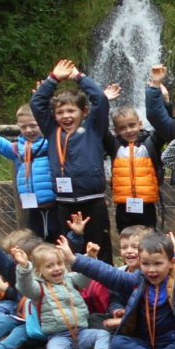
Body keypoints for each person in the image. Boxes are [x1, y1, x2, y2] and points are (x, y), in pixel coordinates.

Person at [29, 59, 113, 264]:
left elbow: (100, 99)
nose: (65, 116)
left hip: (93, 201)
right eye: (60, 112)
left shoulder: (93, 128)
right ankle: (74, 289)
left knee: (99, 247)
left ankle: (107, 291)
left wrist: (78, 77)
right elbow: (36, 103)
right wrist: (53, 79)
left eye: (71, 111)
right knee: (69, 251)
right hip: (65, 203)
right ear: (54, 115)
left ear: (84, 112)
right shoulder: (52, 130)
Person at [14, 241, 115, 349]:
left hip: (81, 332)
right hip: (58, 335)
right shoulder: (38, 289)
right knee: (55, 348)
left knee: (103, 334)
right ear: (38, 271)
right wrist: (24, 267)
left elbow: (85, 278)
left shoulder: (71, 280)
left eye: (59, 264)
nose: (56, 269)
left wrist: (90, 258)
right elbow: (25, 287)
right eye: (49, 266)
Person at [0, 94, 59, 242]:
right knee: (35, 245)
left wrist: (45, 101)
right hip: (33, 209)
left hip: (57, 206)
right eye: (23, 127)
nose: (28, 130)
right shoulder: (18, 149)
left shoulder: (53, 143)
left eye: (33, 125)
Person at [106, 103, 175, 231]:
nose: (129, 130)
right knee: (126, 239)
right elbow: (101, 130)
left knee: (148, 241)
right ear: (116, 131)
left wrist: (165, 103)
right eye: (123, 128)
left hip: (147, 205)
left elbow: (163, 125)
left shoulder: (151, 143)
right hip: (123, 206)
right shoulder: (114, 146)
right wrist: (103, 102)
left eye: (132, 125)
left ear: (140, 123)